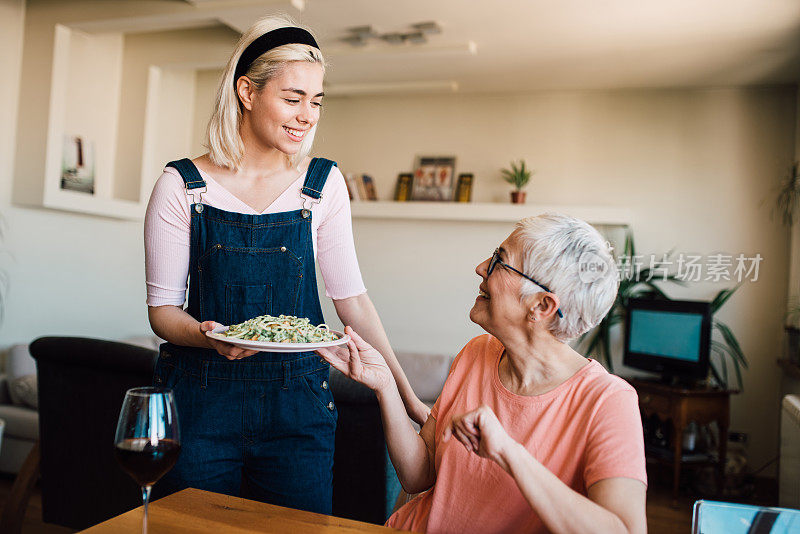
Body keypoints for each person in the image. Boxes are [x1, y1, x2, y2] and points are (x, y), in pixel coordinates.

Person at [144, 15, 427, 514]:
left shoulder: (322, 184)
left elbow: (353, 302)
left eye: (316, 101)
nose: (308, 115)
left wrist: (408, 398)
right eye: (293, 98)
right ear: (247, 92)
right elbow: (163, 311)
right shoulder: (182, 186)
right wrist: (208, 337)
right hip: (200, 405)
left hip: (298, 408)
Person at [318, 213, 648, 533]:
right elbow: (417, 475)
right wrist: (386, 386)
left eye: (497, 262)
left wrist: (509, 453)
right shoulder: (477, 352)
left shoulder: (607, 401)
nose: (480, 269)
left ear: (542, 306)